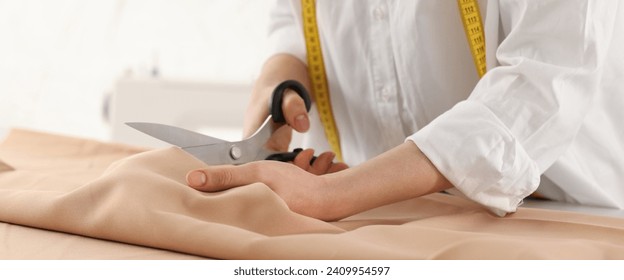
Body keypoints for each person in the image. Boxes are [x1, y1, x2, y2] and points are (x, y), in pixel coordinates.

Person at [185, 0, 624, 221]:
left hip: (559, 218)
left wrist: (332, 196)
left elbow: (542, 86)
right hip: (369, 215)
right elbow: (293, 20)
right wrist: (279, 79)